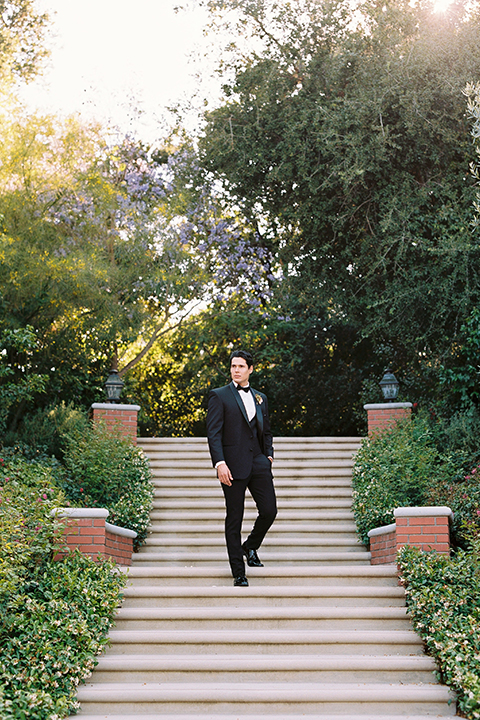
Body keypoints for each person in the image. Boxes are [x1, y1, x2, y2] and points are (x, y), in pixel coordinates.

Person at [206, 349, 277, 586]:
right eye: (233, 366)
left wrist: (268, 456)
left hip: (258, 462)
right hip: (232, 466)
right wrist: (219, 463)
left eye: (240, 366)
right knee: (234, 518)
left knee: (269, 511)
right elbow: (213, 433)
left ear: (250, 369)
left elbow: (266, 431)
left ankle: (250, 547)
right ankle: (238, 571)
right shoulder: (219, 396)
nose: (236, 370)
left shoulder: (261, 398)